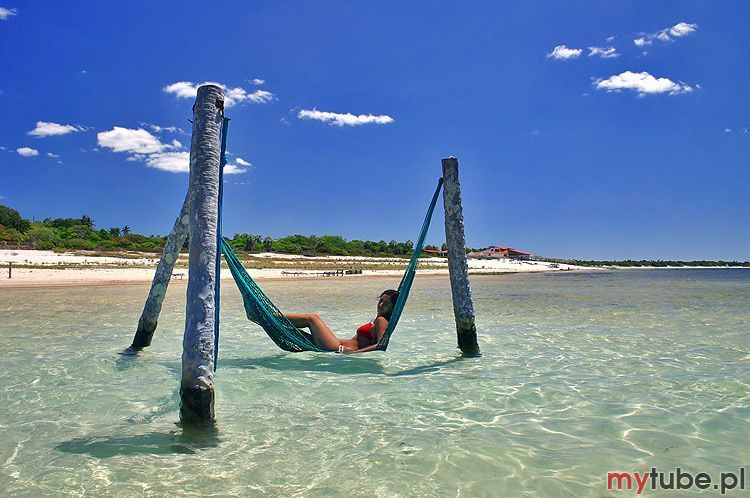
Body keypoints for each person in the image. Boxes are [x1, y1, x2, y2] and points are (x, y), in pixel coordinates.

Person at [285, 289, 398, 354]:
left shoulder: (382, 321)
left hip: (338, 347)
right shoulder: (378, 318)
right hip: (338, 344)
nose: (381, 305)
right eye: (381, 300)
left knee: (312, 318)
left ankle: (275, 315)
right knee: (292, 331)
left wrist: (354, 354)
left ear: (393, 308)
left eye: (386, 303)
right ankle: (275, 317)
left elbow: (381, 345)